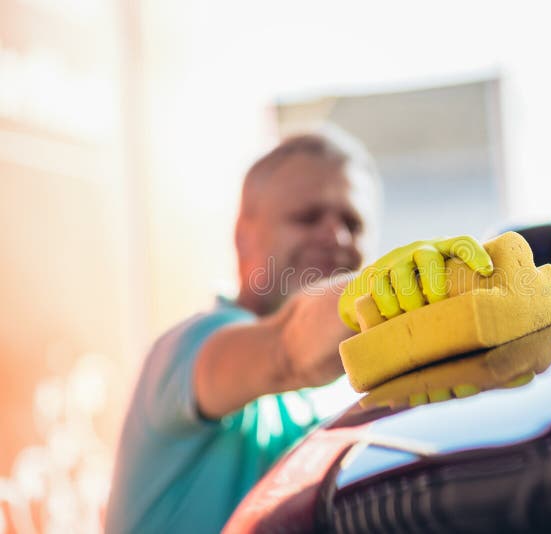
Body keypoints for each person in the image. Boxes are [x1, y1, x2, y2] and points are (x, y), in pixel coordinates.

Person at [105, 130, 493, 533]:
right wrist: (377, 294)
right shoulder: (187, 351)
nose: (336, 236)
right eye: (307, 217)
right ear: (243, 238)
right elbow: (286, 352)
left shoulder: (351, 382)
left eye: (352, 222)